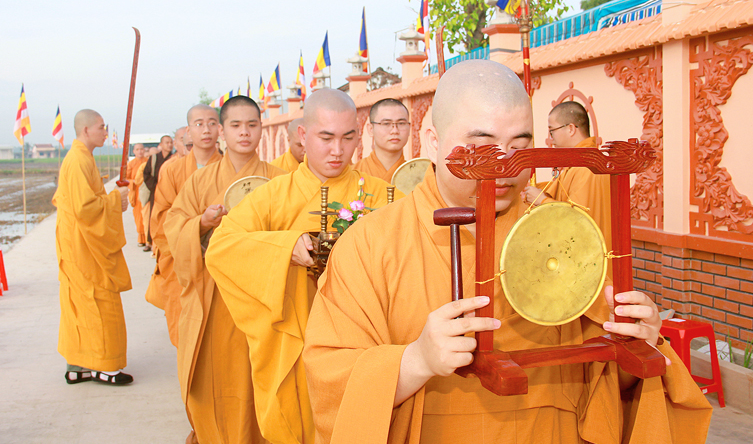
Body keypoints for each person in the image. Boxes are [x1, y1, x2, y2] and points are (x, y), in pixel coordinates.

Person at [302, 61, 711, 444]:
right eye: (482, 146)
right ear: (432, 141)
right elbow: (328, 380)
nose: (505, 166)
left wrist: (635, 344)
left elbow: (602, 388)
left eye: (520, 146)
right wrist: (415, 361)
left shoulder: (561, 236)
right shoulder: (370, 244)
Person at [205, 89, 400, 444]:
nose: (337, 150)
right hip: (295, 340)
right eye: (326, 138)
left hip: (361, 340)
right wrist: (283, 247)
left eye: (348, 137)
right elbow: (221, 246)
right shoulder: (273, 195)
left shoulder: (381, 195)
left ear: (359, 135)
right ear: (303, 135)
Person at [165, 96, 286, 444]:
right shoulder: (200, 182)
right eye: (236, 125)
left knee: (261, 381)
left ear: (261, 129)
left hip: (264, 301)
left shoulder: (281, 180)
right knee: (215, 382)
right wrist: (201, 223)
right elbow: (174, 226)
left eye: (252, 125)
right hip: (215, 301)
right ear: (222, 131)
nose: (244, 132)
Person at [53, 109, 134, 386]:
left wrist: (112, 200)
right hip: (83, 246)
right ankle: (105, 366)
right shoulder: (77, 160)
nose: (105, 132)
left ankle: (78, 365)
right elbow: (85, 209)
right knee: (100, 301)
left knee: (80, 305)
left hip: (79, 243)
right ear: (86, 130)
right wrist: (115, 200)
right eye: (101, 127)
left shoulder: (82, 157)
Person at [146, 105, 222, 347]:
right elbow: (161, 219)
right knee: (186, 336)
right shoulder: (173, 171)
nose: (206, 130)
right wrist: (195, 230)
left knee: (220, 338)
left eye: (212, 123)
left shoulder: (231, 169)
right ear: (189, 131)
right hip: (181, 264)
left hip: (221, 261)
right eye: (199, 124)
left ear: (220, 129)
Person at [521, 101, 612, 258]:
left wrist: (541, 200)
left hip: (589, 256)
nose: (551, 139)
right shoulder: (577, 162)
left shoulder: (586, 166)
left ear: (570, 129)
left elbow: (577, 218)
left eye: (552, 131)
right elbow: (560, 191)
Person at [355, 98, 410, 182]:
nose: (395, 131)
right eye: (386, 124)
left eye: (401, 123)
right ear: (370, 129)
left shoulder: (420, 175)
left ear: (409, 128)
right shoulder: (354, 173)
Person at [143, 136, 174, 251]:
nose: (169, 145)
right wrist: (155, 187)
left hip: (170, 193)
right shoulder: (154, 158)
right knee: (153, 216)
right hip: (156, 192)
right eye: (167, 142)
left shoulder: (174, 158)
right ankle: (150, 242)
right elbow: (146, 174)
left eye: (171, 142)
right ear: (161, 144)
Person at [126, 143, 148, 246]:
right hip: (136, 193)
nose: (140, 151)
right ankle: (141, 238)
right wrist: (133, 182)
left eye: (141, 149)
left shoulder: (148, 162)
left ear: (144, 150)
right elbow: (126, 179)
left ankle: (148, 239)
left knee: (147, 215)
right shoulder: (131, 164)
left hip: (146, 191)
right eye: (137, 149)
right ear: (134, 151)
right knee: (139, 217)